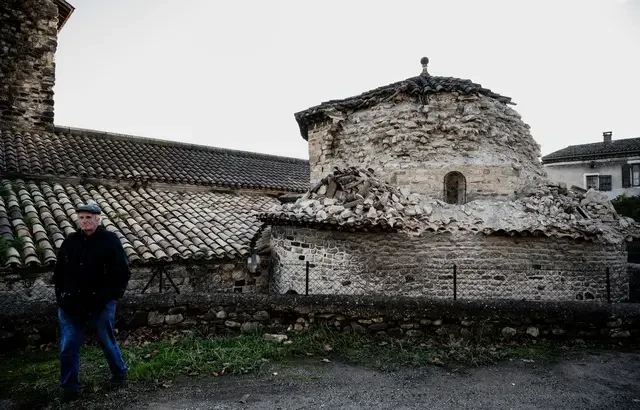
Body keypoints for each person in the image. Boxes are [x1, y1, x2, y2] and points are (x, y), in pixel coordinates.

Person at [53, 203, 132, 403]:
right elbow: (59, 272)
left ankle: (119, 373)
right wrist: (61, 296)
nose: (85, 221)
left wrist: (113, 296)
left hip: (101, 302)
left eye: (89, 217)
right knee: (69, 343)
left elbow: (122, 272)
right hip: (71, 303)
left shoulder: (110, 240)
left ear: (98, 219)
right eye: (81, 218)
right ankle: (69, 387)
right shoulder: (71, 241)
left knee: (105, 339)